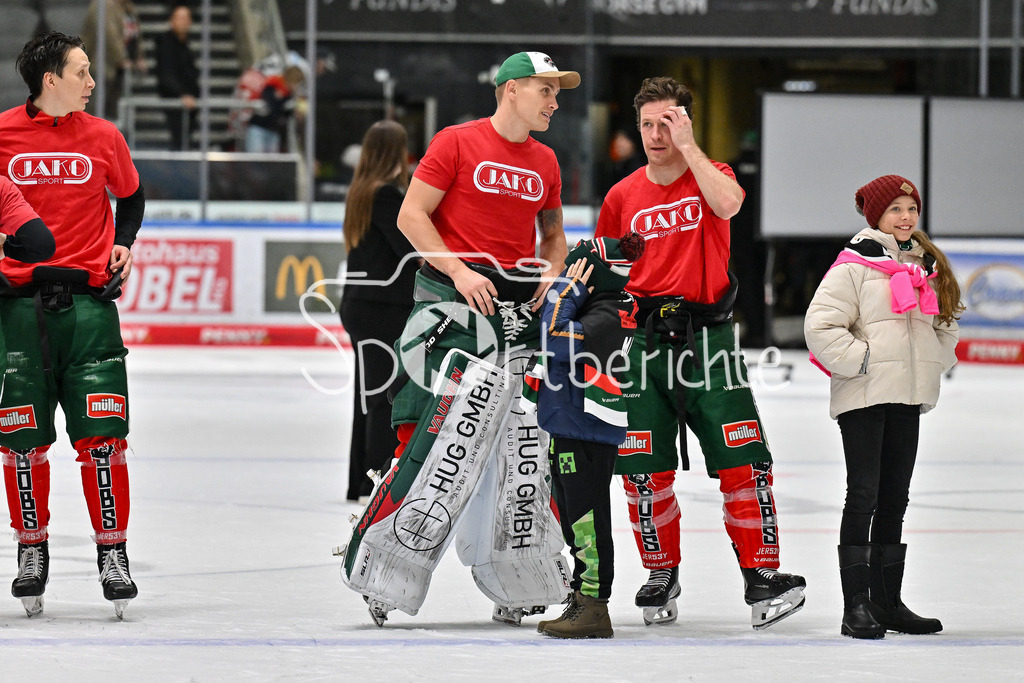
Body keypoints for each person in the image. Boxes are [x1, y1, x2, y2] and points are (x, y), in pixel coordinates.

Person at [594, 76, 806, 629]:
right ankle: (660, 573)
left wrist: (690, 147)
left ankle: (761, 575)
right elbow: (610, 270)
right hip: (641, 343)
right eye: (647, 124)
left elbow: (730, 205)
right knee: (642, 470)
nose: (656, 134)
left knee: (744, 461)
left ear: (685, 123)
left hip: (709, 339)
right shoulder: (621, 197)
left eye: (668, 122)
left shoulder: (715, 177)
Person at [0, 31, 146, 619]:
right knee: (21, 442)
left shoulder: (105, 136)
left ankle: (114, 555)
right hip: (16, 311)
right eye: (81, 71)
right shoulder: (2, 135)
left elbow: (131, 197)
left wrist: (125, 242)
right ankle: (31, 551)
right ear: (50, 79)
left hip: (89, 311)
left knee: (104, 441)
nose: (91, 81)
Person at [804, 175, 961, 639]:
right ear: (876, 216)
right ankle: (856, 606)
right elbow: (821, 327)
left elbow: (946, 322)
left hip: (907, 397)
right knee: (864, 495)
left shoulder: (925, 265)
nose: (906, 217)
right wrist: (865, 362)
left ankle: (888, 603)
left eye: (911, 208)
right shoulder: (853, 266)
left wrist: (930, 362)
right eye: (895, 209)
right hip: (865, 396)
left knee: (895, 498)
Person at [522, 234, 644, 639]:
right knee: (574, 519)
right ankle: (581, 596)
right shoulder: (596, 305)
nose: (568, 268)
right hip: (570, 423)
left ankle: (594, 605)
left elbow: (556, 339)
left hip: (587, 428)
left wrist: (566, 291)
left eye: (577, 264)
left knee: (587, 518)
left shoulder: (612, 310)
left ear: (593, 273)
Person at [339, 120, 417, 502]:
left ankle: (360, 480)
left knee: (368, 394)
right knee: (384, 395)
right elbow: (410, 250)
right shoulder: (386, 195)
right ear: (395, 152)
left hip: (362, 305)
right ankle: (375, 480)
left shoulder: (361, 192)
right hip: (381, 307)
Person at [82, 0, 145, 120]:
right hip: (100, 67)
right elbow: (109, 35)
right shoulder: (103, 5)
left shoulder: (128, 6)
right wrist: (122, 58)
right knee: (94, 110)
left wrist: (139, 56)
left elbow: (135, 32)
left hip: (119, 71)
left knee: (114, 113)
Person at [154, 3, 198, 150]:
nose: (183, 22)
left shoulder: (185, 45)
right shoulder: (165, 44)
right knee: (178, 139)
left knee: (185, 139)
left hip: (188, 103)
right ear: (171, 21)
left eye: (186, 18)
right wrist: (182, 95)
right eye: (180, 18)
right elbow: (166, 75)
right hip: (174, 101)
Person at [244, 65, 304, 153]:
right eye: (297, 82)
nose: (297, 86)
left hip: (273, 130)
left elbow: (284, 113)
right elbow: (272, 105)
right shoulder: (273, 84)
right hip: (259, 127)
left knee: (271, 160)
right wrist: (283, 101)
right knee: (256, 159)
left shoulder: (289, 94)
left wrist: (293, 112)